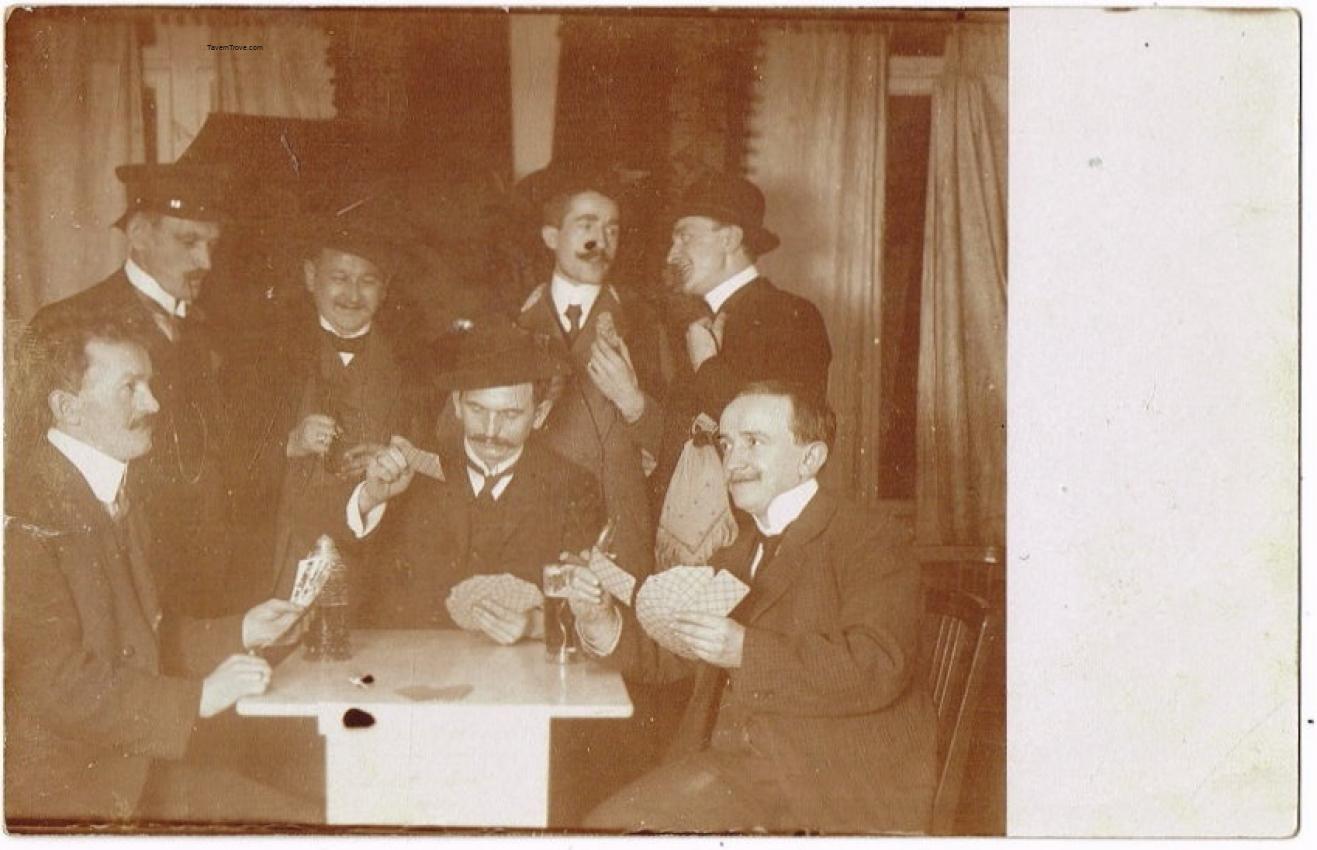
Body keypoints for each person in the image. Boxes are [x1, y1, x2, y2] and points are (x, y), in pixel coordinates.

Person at [572, 381, 935, 834]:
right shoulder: (740, 548)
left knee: (607, 833)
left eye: (754, 442)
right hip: (737, 767)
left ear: (811, 458)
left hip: (828, 784)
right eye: (726, 444)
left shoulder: (870, 537)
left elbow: (877, 664)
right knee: (598, 824)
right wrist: (601, 621)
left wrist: (745, 650)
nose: (733, 461)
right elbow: (676, 651)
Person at [4, 317, 315, 825]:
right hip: (68, 802)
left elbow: (136, 642)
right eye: (131, 388)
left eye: (148, 385)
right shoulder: (23, 511)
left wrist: (240, 630)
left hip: (130, 772)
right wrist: (199, 697)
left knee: (315, 818)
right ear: (68, 408)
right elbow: (51, 683)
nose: (152, 404)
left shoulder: (104, 486)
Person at [20, 162, 235, 618]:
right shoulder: (65, 324)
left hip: (207, 581)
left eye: (211, 244)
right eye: (188, 241)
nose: (206, 263)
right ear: (138, 233)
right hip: (112, 580)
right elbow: (28, 465)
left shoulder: (215, 328)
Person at [309, 316, 603, 638]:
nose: (491, 432)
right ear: (457, 405)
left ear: (540, 415)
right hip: (415, 670)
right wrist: (372, 497)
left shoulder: (575, 486)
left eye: (510, 415)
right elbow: (325, 546)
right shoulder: (412, 470)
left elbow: (585, 599)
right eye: (478, 410)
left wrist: (535, 625)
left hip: (521, 676)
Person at [224, 199, 430, 604]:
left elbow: (444, 467)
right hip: (281, 566)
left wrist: (405, 459)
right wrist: (288, 444)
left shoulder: (417, 365)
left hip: (379, 573)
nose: (352, 295)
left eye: (368, 280)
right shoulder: (260, 359)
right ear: (309, 276)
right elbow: (224, 469)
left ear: (385, 288)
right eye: (339, 277)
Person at [515, 162, 664, 580]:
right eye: (586, 225)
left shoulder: (646, 322)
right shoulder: (513, 319)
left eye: (613, 229)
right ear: (550, 236)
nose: (601, 240)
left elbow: (677, 440)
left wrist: (633, 401)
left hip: (618, 527)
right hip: (534, 520)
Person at [651, 172, 833, 508]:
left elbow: (781, 438)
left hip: (749, 529)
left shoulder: (792, 316)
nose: (670, 255)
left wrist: (707, 366)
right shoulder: (690, 324)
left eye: (685, 237)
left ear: (730, 239)